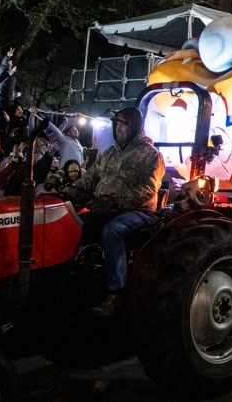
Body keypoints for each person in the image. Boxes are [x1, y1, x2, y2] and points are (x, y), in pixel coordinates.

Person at [69, 106, 164, 317]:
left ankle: (116, 294)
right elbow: (91, 177)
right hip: (105, 207)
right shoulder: (109, 153)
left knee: (113, 231)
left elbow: (148, 189)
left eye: (123, 124)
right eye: (116, 124)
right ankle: (75, 279)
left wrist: (114, 201)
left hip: (138, 212)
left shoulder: (150, 155)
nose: (118, 128)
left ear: (134, 126)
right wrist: (70, 189)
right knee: (73, 223)